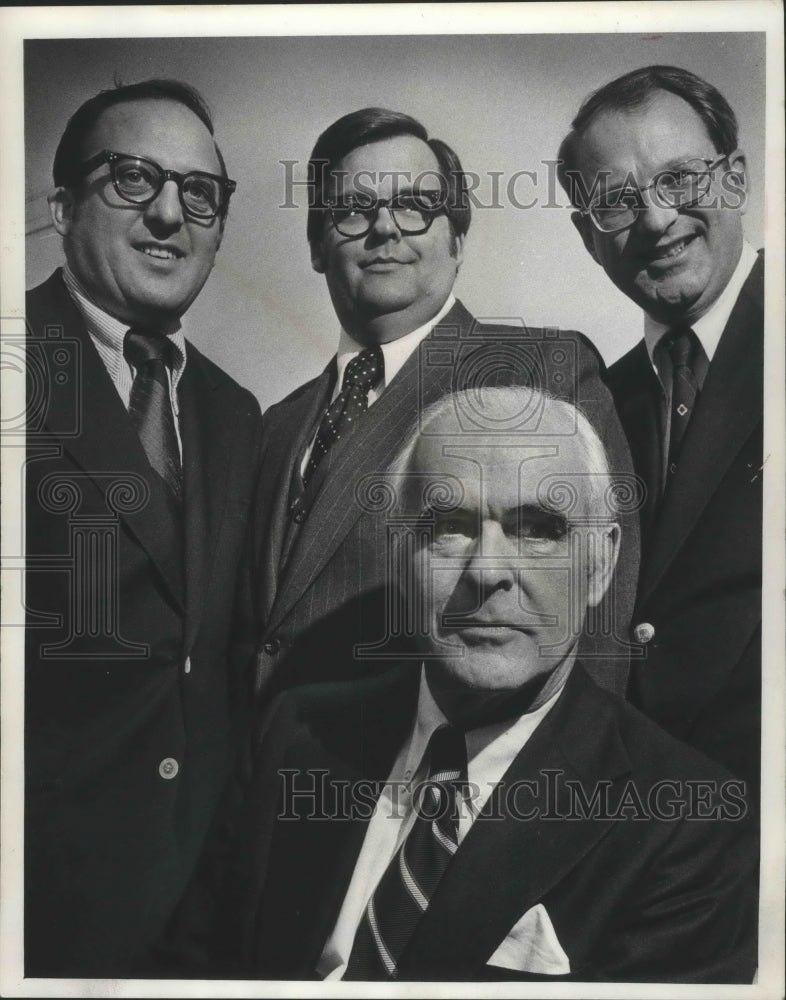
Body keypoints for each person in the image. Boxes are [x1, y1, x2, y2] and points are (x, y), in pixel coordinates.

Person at [215, 387, 757, 982]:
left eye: (539, 529)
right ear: (398, 552)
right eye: (449, 526)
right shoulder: (292, 734)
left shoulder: (692, 826)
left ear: (600, 565)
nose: (488, 570)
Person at [253, 107, 639, 701]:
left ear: (457, 240)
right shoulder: (278, 424)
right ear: (316, 245)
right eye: (353, 209)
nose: (386, 228)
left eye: (415, 206)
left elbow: (601, 619)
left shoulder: (543, 372)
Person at [24, 78, 263, 976]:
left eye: (199, 193)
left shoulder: (234, 412)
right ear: (61, 208)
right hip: (39, 916)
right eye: (133, 178)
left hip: (205, 917)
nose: (169, 213)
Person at [557, 65, 762, 793]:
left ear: (735, 180)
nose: (655, 219)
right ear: (588, 237)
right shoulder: (596, 405)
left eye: (679, 179)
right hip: (633, 820)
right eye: (616, 201)